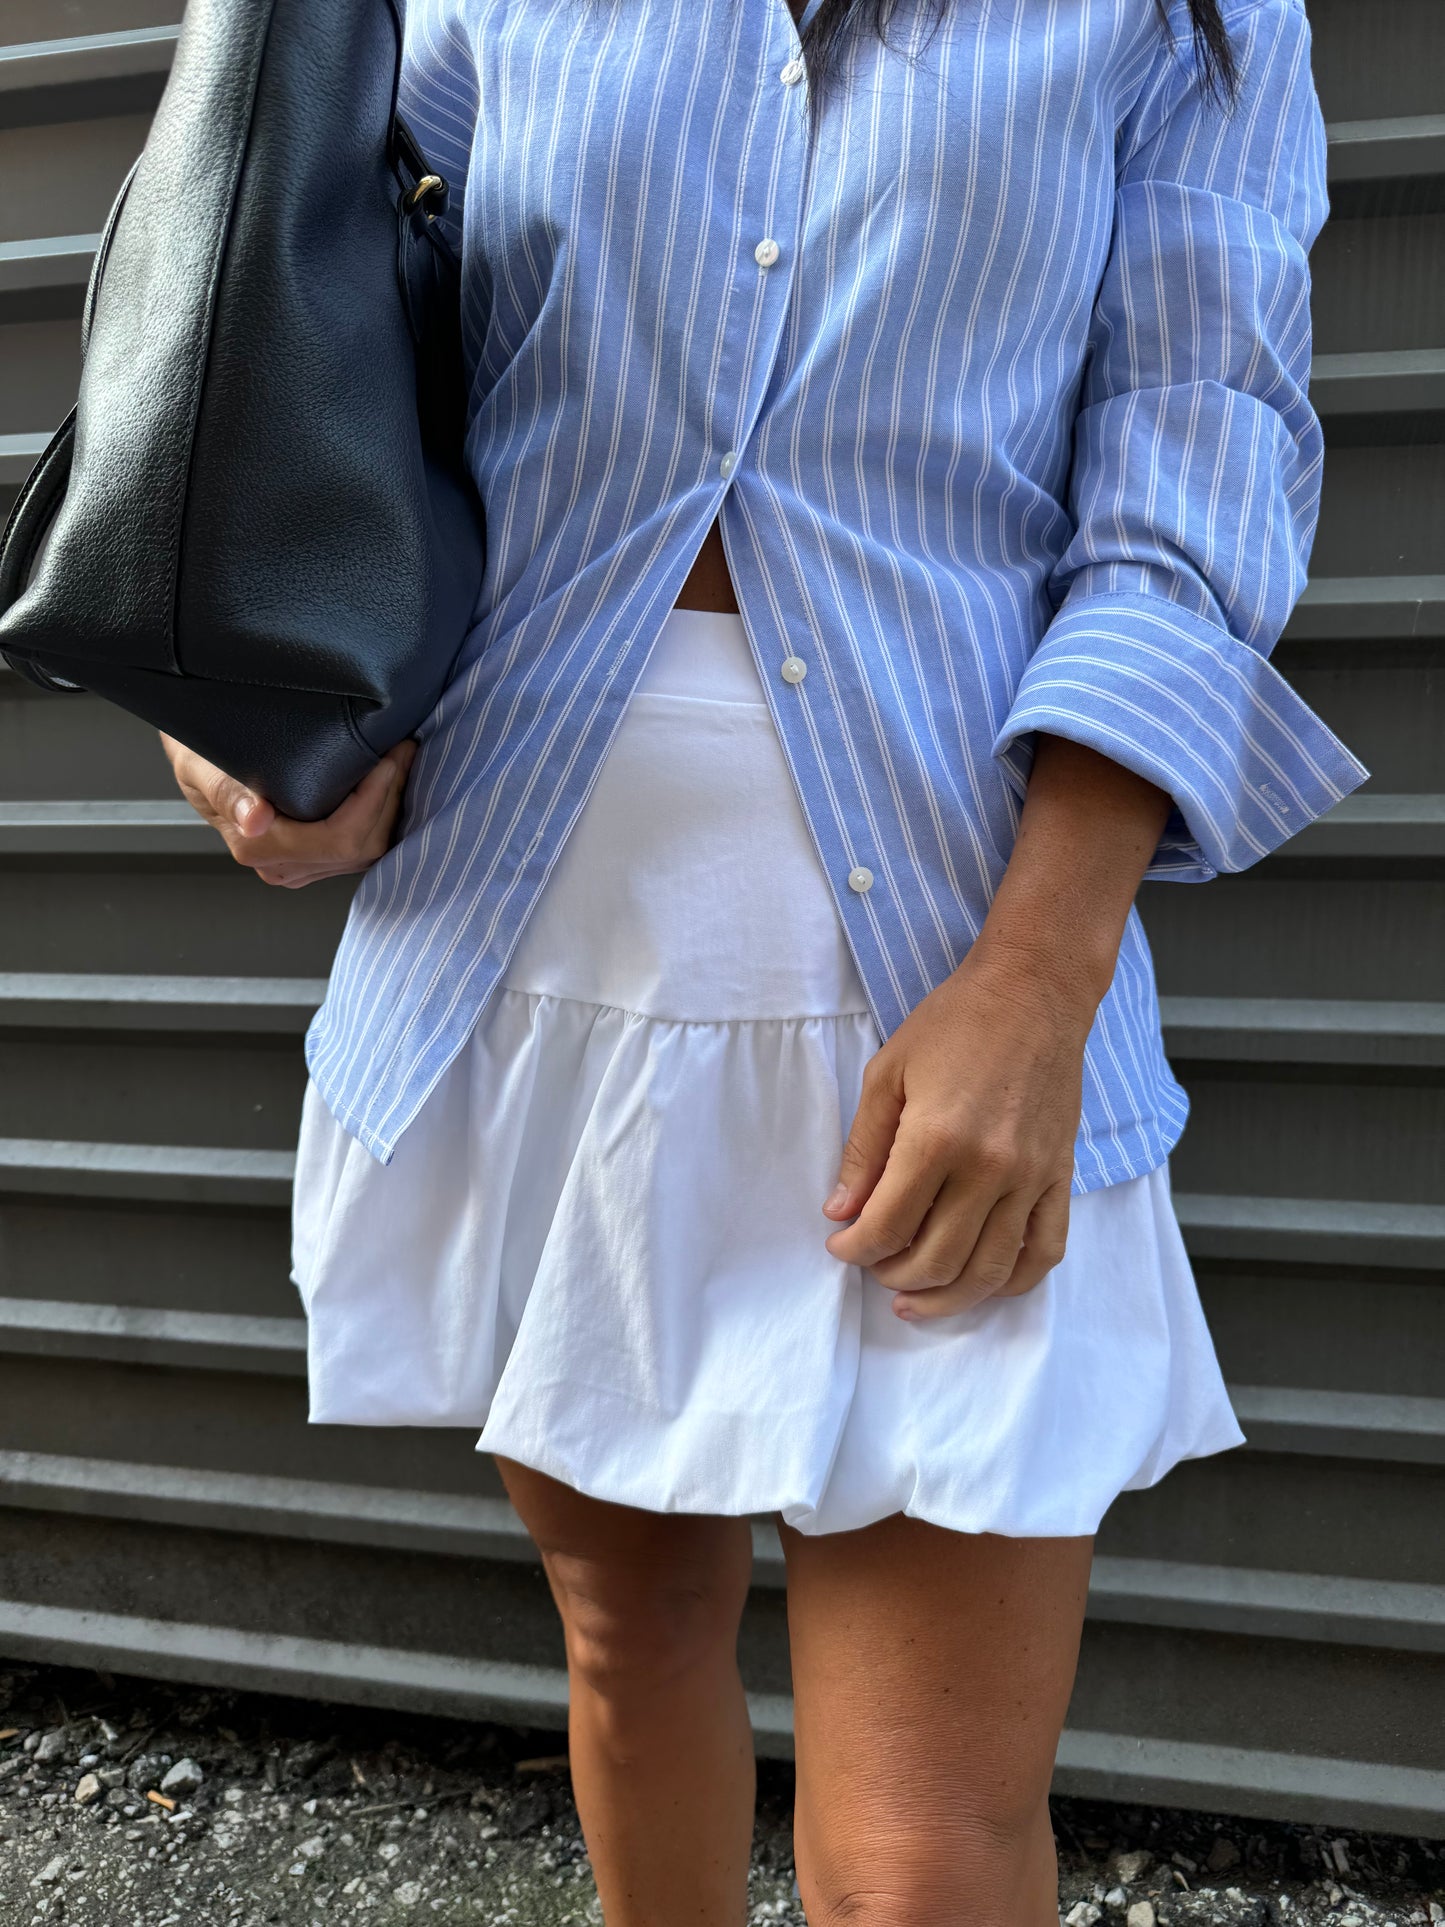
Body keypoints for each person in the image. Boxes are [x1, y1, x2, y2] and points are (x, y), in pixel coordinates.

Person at [161, 0, 1369, 1919]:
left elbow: (1198, 470)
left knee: (914, 1850)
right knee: (634, 1656)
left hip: (946, 977)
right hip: (525, 942)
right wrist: (246, 706)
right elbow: (299, 340)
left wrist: (1041, 983)